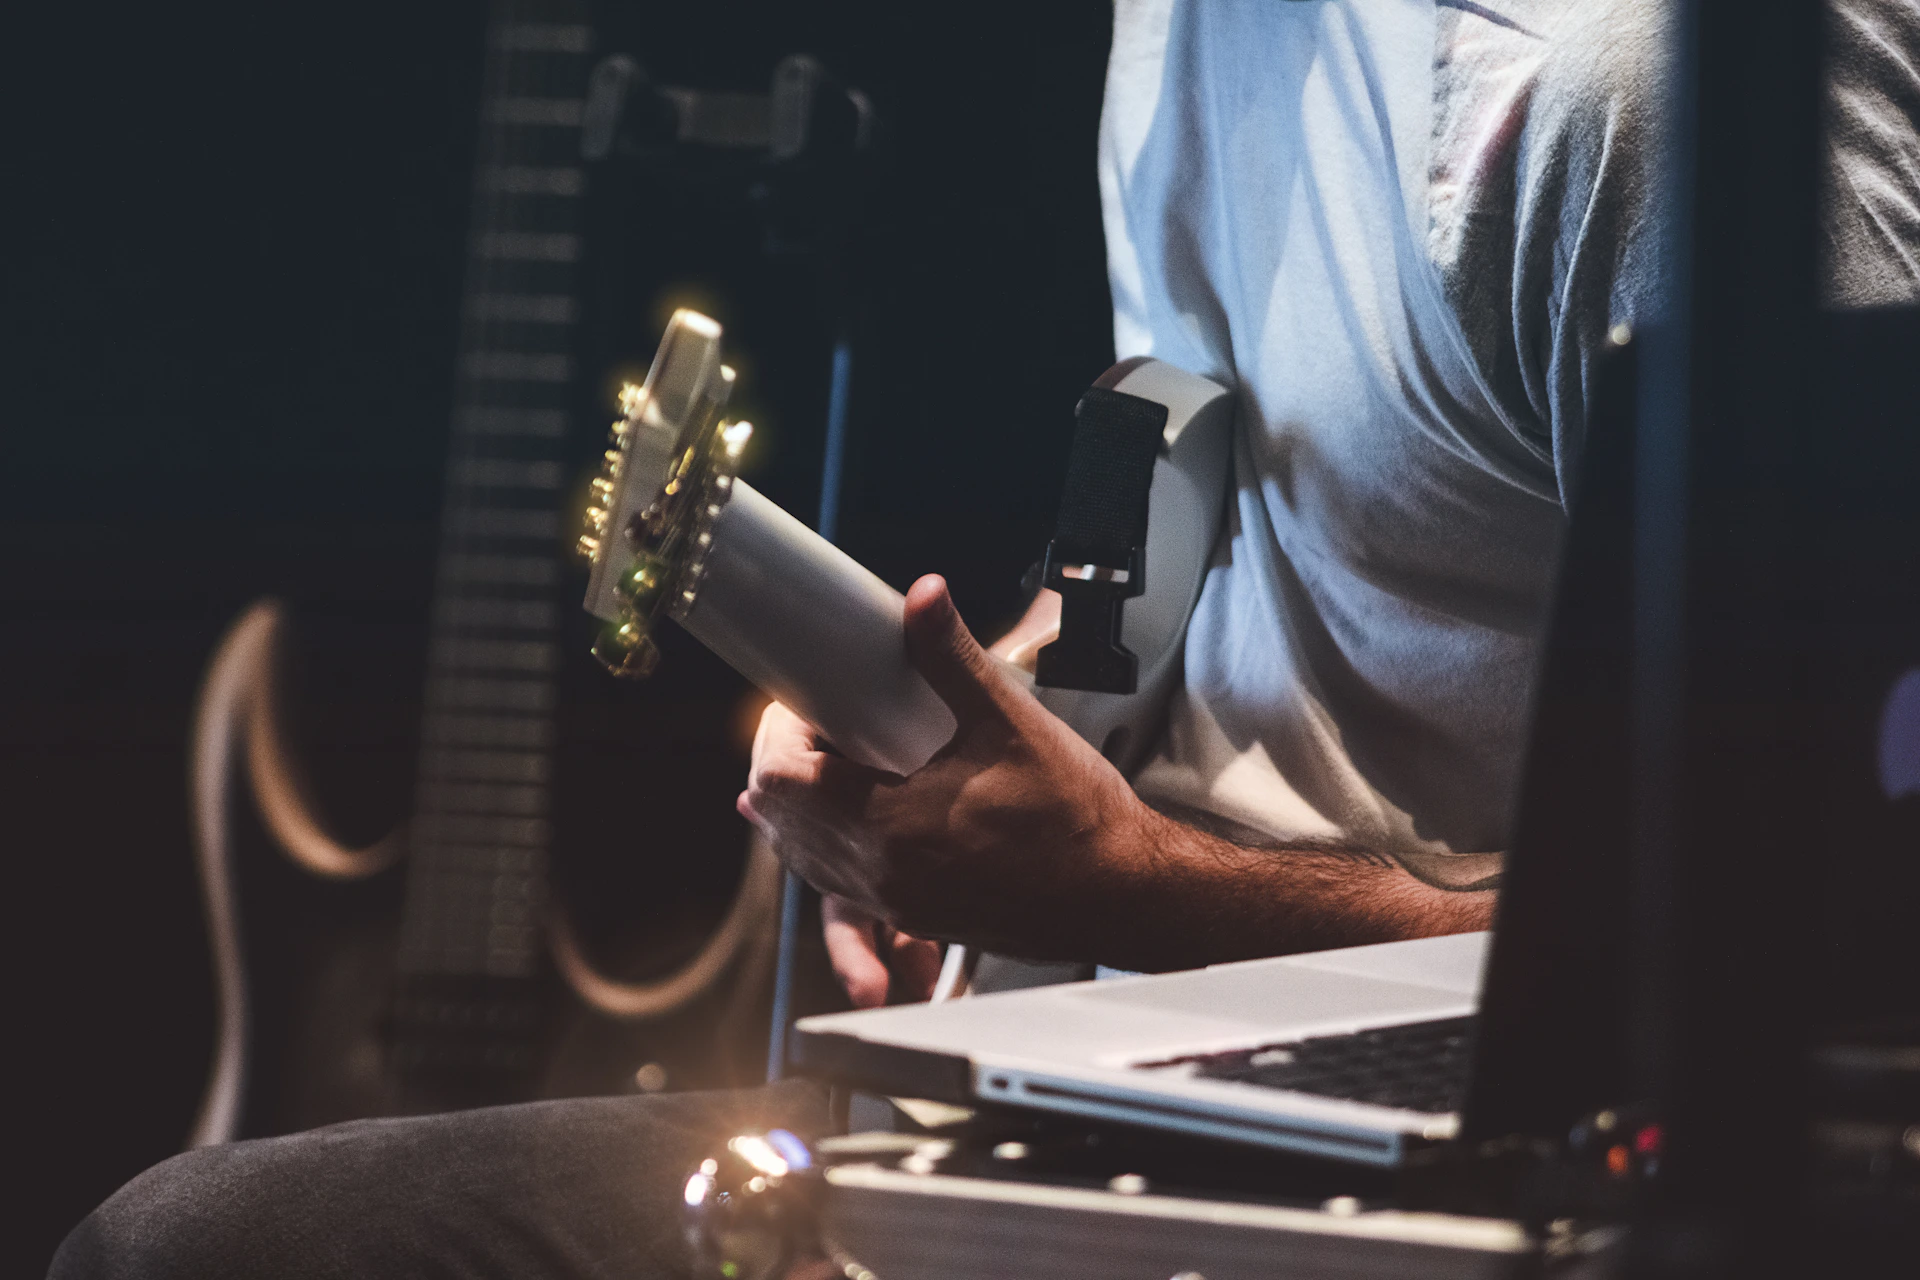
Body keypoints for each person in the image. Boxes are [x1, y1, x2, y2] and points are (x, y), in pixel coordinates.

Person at [50, 2, 1919, 1277]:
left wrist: (1133, 887)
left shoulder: (1654, 104)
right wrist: (984, 718)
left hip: (1463, 1197)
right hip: (1116, 1084)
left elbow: (1846, 983)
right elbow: (1237, 513)